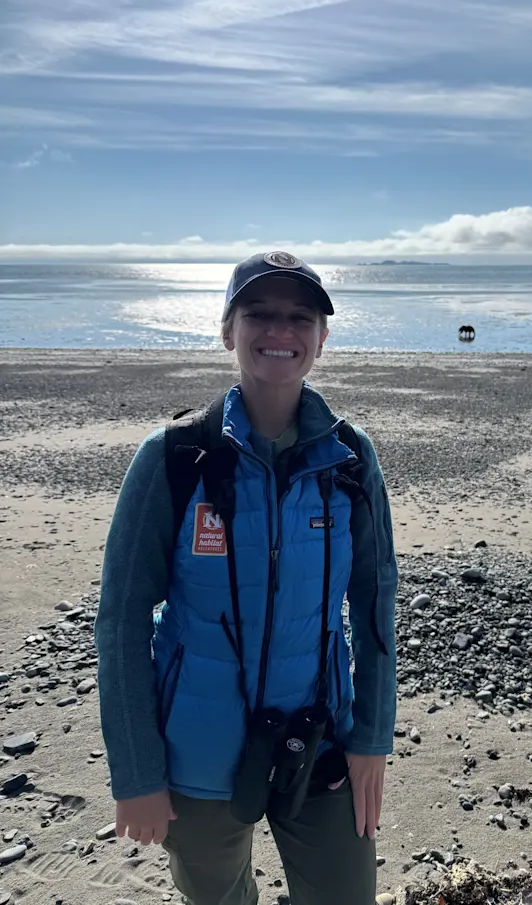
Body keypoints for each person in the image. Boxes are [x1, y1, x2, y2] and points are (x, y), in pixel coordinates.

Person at [95, 252, 398, 905]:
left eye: (300, 317)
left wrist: (372, 737)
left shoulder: (350, 458)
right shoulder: (175, 458)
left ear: (322, 338)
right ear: (228, 328)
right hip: (198, 753)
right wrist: (137, 773)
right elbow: (120, 619)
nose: (279, 330)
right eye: (259, 313)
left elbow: (376, 600)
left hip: (320, 740)